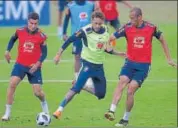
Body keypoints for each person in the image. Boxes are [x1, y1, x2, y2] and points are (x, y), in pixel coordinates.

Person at [104, 7, 177, 127]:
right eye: (130, 18)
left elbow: (163, 40)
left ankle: (125, 119)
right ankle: (111, 111)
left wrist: (168, 59)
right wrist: (110, 46)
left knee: (130, 89)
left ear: (140, 17)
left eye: (133, 18)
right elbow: (111, 37)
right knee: (122, 81)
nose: (131, 21)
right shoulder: (127, 27)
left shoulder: (151, 28)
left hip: (143, 66)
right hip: (130, 63)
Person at [52, 11, 126, 119]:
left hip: (99, 67)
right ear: (92, 21)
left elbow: (105, 48)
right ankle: (59, 109)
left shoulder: (106, 30)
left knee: (101, 94)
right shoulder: (85, 31)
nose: (97, 26)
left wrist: (118, 53)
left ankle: (83, 86)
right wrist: (59, 54)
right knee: (74, 89)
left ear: (103, 23)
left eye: (99, 24)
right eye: (95, 23)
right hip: (87, 64)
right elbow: (69, 40)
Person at [2, 12, 49, 121]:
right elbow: (13, 39)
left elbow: (45, 53)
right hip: (20, 64)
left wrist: (38, 63)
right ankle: (7, 113)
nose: (33, 26)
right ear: (28, 21)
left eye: (35, 23)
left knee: (37, 92)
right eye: (31, 23)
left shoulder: (42, 36)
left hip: (34, 67)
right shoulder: (20, 31)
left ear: (38, 23)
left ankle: (44, 106)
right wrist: (7, 51)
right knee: (12, 84)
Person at [62, 0, 95, 85]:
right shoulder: (70, 6)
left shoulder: (91, 5)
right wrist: (64, 33)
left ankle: (89, 78)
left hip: (89, 36)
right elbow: (66, 20)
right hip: (76, 36)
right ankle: (77, 78)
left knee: (89, 56)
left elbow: (96, 19)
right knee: (77, 57)